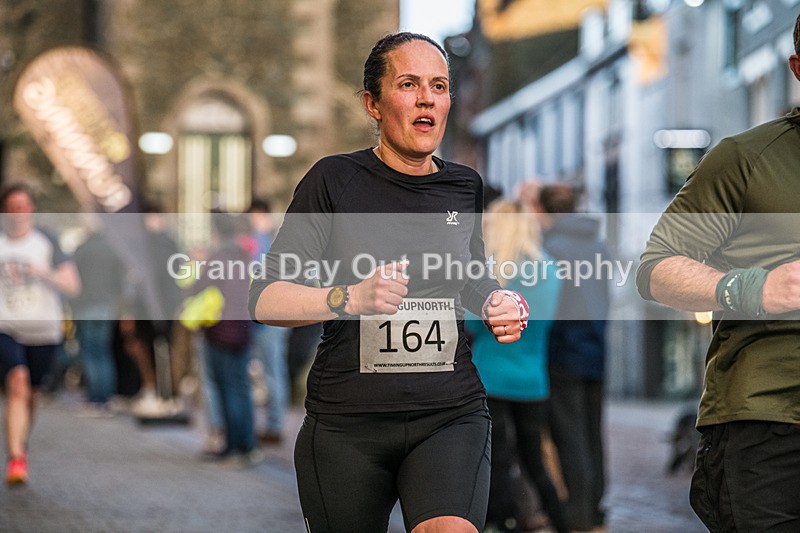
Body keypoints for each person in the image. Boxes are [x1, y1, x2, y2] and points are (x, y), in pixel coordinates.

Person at [249, 32, 529, 533]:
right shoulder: (333, 180)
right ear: (372, 104)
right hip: (347, 422)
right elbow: (265, 297)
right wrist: (349, 297)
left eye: (439, 86)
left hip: (450, 412)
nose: (427, 97)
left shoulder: (464, 185)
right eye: (408, 84)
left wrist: (496, 299)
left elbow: (470, 274)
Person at [636, 16, 800, 530]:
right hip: (768, 423)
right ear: (798, 68)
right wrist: (754, 287)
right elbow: (655, 269)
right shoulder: (745, 158)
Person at [465, 199, 568, 533]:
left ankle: (504, 523)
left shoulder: (491, 273)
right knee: (534, 460)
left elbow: (474, 323)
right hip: (532, 378)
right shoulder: (550, 269)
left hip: (491, 375)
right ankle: (562, 521)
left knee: (495, 459)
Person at [537, 183, 609, 532]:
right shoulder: (598, 244)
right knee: (594, 433)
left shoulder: (550, 248)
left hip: (562, 350)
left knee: (569, 435)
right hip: (597, 348)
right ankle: (595, 509)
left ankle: (578, 515)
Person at [0, 183, 81, 484]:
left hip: (44, 329)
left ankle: (21, 442)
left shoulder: (47, 242)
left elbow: (73, 286)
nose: (17, 213)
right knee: (17, 383)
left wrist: (43, 273)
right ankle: (16, 457)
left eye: (23, 206)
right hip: (6, 325)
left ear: (32, 209)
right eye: (11, 207)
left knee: (31, 394)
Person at [192, 212, 257, 464]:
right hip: (244, 329)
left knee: (226, 387)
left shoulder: (217, 257)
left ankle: (231, 445)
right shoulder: (245, 256)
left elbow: (199, 288)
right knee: (241, 387)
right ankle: (247, 445)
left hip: (219, 330)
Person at [246, 198, 291, 445]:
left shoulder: (267, 244)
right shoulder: (262, 242)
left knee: (272, 370)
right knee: (269, 371)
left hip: (270, 320)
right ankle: (270, 424)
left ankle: (274, 425)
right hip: (262, 319)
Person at [71, 215, 125, 415]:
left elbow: (73, 280)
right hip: (107, 305)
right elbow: (120, 280)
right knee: (103, 351)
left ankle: (95, 398)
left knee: (90, 352)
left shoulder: (82, 249)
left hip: (86, 305)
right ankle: (105, 397)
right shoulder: (112, 249)